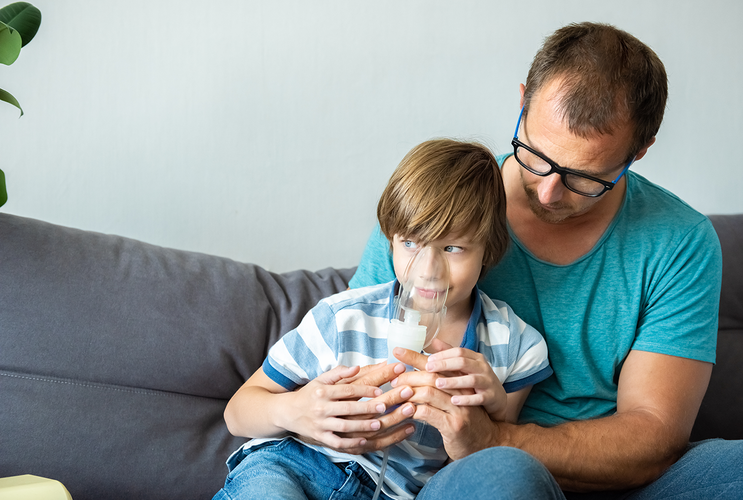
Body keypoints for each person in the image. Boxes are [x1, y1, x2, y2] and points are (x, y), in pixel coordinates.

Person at [345, 22, 743, 499]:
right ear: (522, 102)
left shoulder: (681, 240)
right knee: (508, 477)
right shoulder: (436, 210)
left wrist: (499, 437)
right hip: (472, 473)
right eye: (536, 156)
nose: (548, 191)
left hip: (616, 478)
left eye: (584, 177)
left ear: (639, 151)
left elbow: (654, 435)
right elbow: (354, 356)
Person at [213, 139, 552, 500]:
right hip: (299, 469)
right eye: (411, 243)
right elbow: (237, 412)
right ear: (390, 240)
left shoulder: (514, 347)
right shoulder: (343, 320)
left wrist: (494, 406)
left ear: (490, 247)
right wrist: (295, 410)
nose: (427, 271)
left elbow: (490, 457)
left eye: (452, 248)